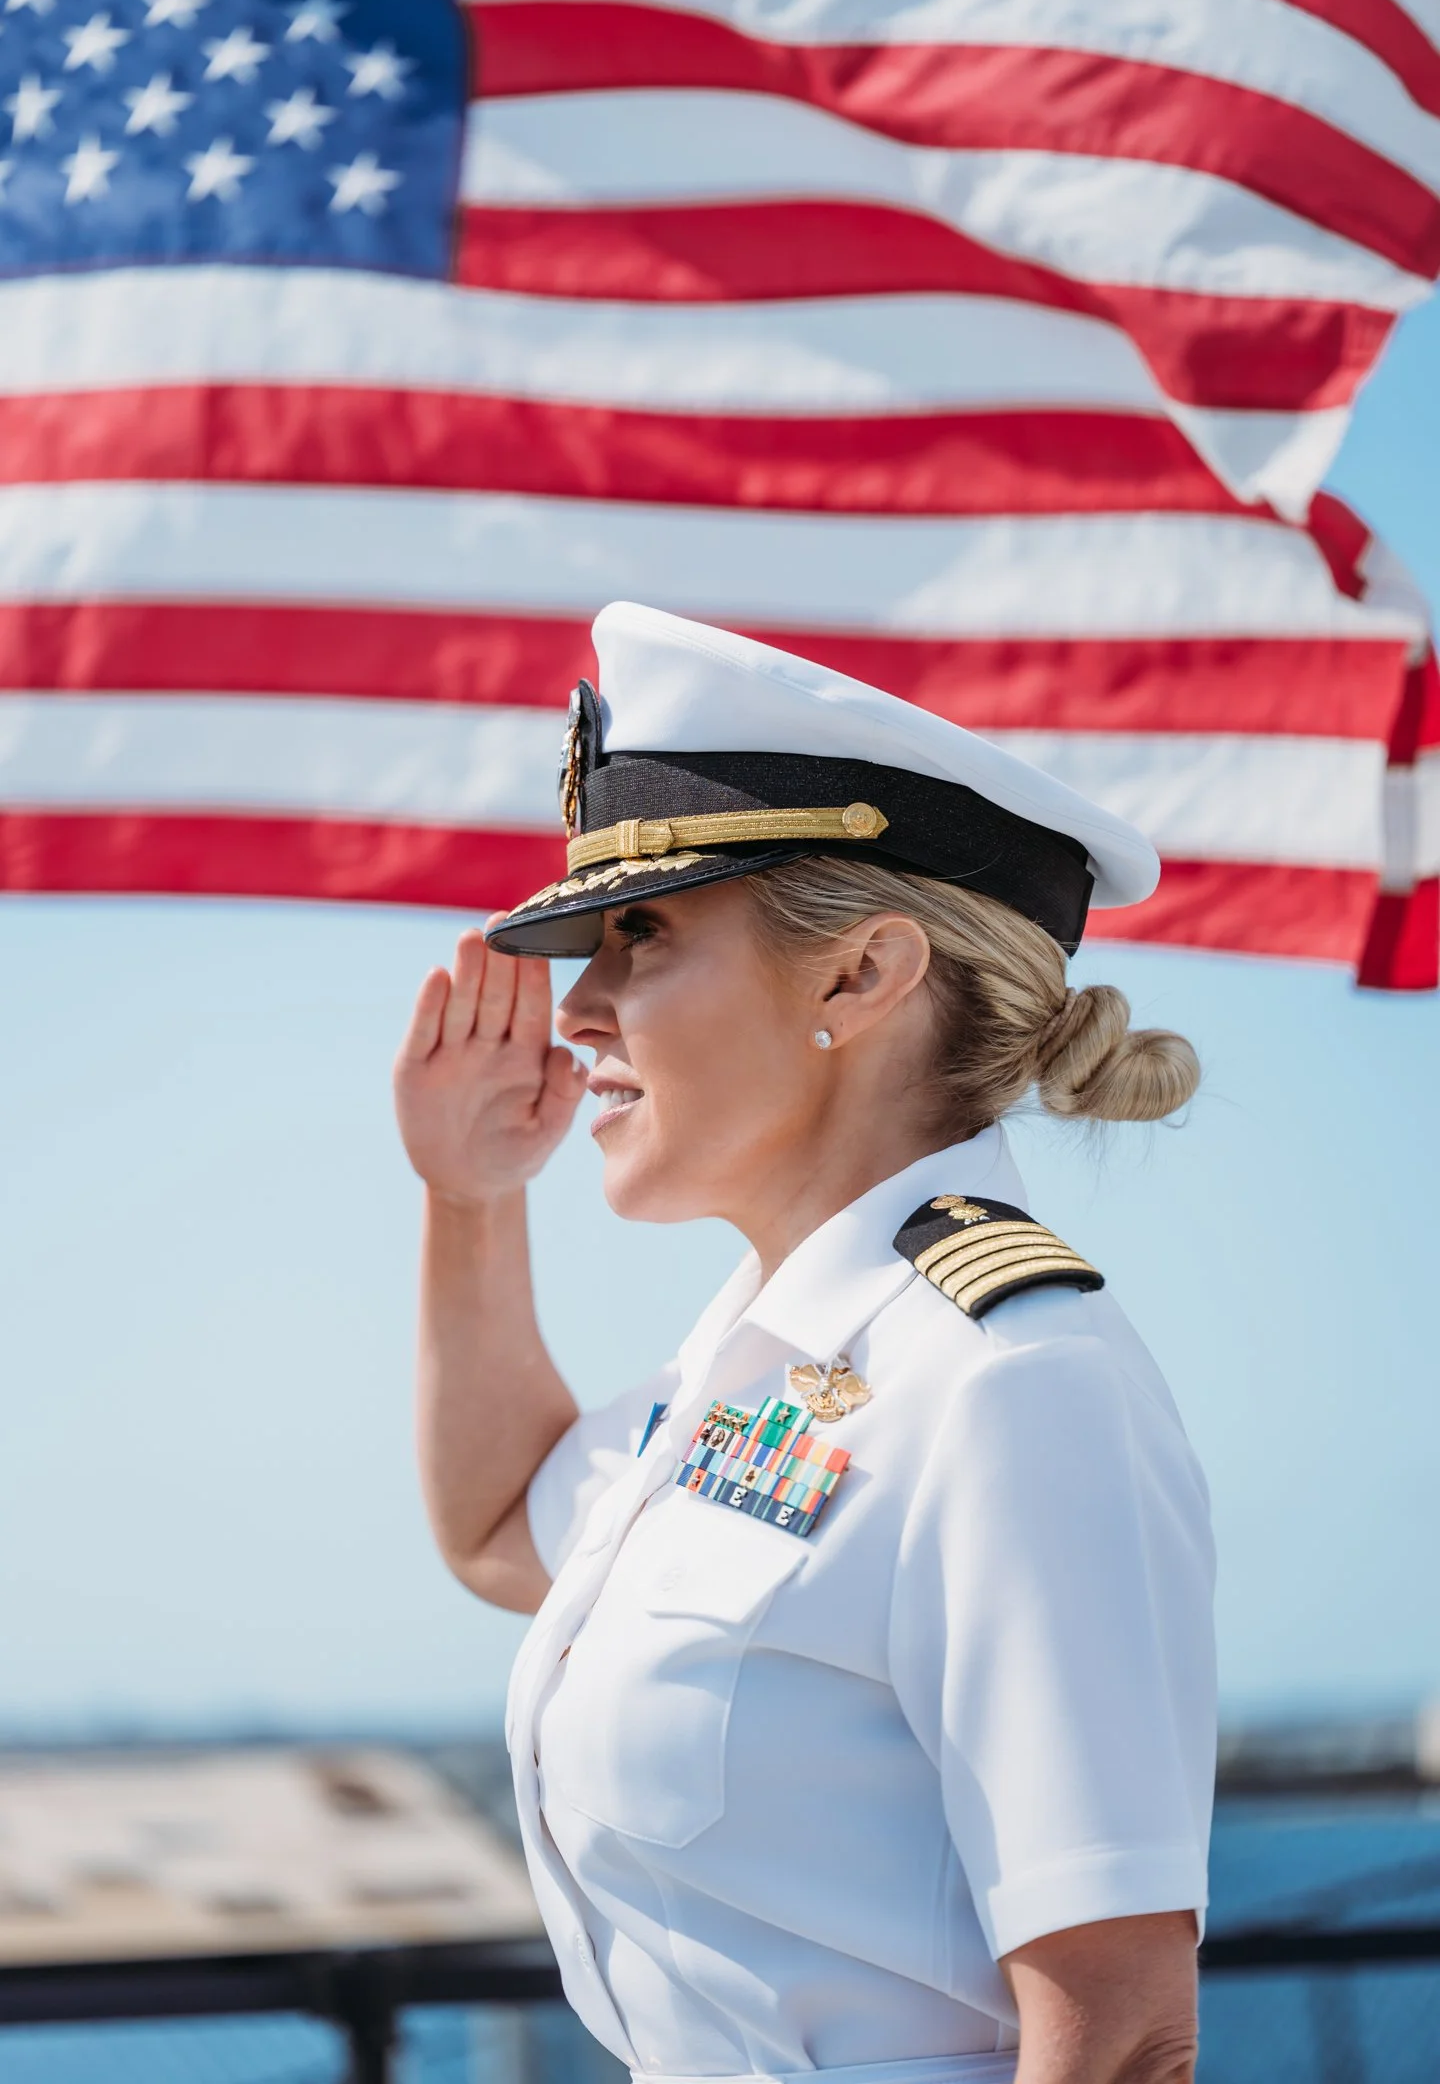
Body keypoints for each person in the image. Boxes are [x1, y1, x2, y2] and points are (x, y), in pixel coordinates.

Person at [394, 602, 1215, 2084]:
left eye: (639, 932)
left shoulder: (1013, 1386)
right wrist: (469, 1203)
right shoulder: (769, 1360)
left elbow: (1129, 2036)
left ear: (862, 976)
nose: (579, 1009)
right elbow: (502, 1524)